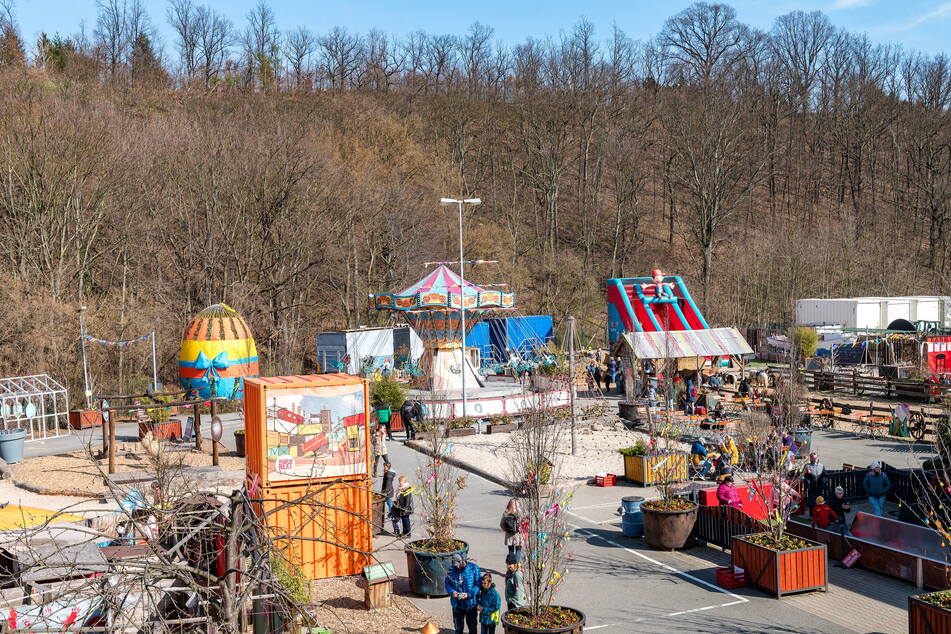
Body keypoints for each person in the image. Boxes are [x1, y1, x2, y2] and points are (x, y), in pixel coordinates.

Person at [445, 553, 481, 634]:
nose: (457, 567)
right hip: (457, 604)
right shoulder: (451, 569)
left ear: (462, 561)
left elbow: (478, 584)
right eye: (455, 565)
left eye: (458, 564)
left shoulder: (474, 568)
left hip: (470, 604)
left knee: (472, 627)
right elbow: (447, 583)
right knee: (458, 628)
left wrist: (468, 594)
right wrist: (452, 592)